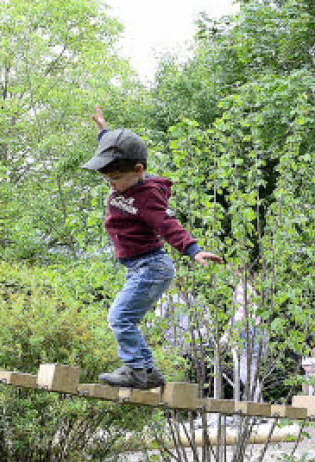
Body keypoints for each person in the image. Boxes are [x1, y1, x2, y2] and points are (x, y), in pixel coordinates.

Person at [84, 106, 222, 390]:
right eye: (107, 179)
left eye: (115, 179)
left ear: (139, 170)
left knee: (119, 317)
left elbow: (168, 226)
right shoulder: (126, 176)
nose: (112, 185)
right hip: (137, 268)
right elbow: (114, 152)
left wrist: (193, 250)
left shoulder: (148, 197)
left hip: (151, 267)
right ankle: (148, 372)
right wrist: (103, 132)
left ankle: (135, 371)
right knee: (125, 318)